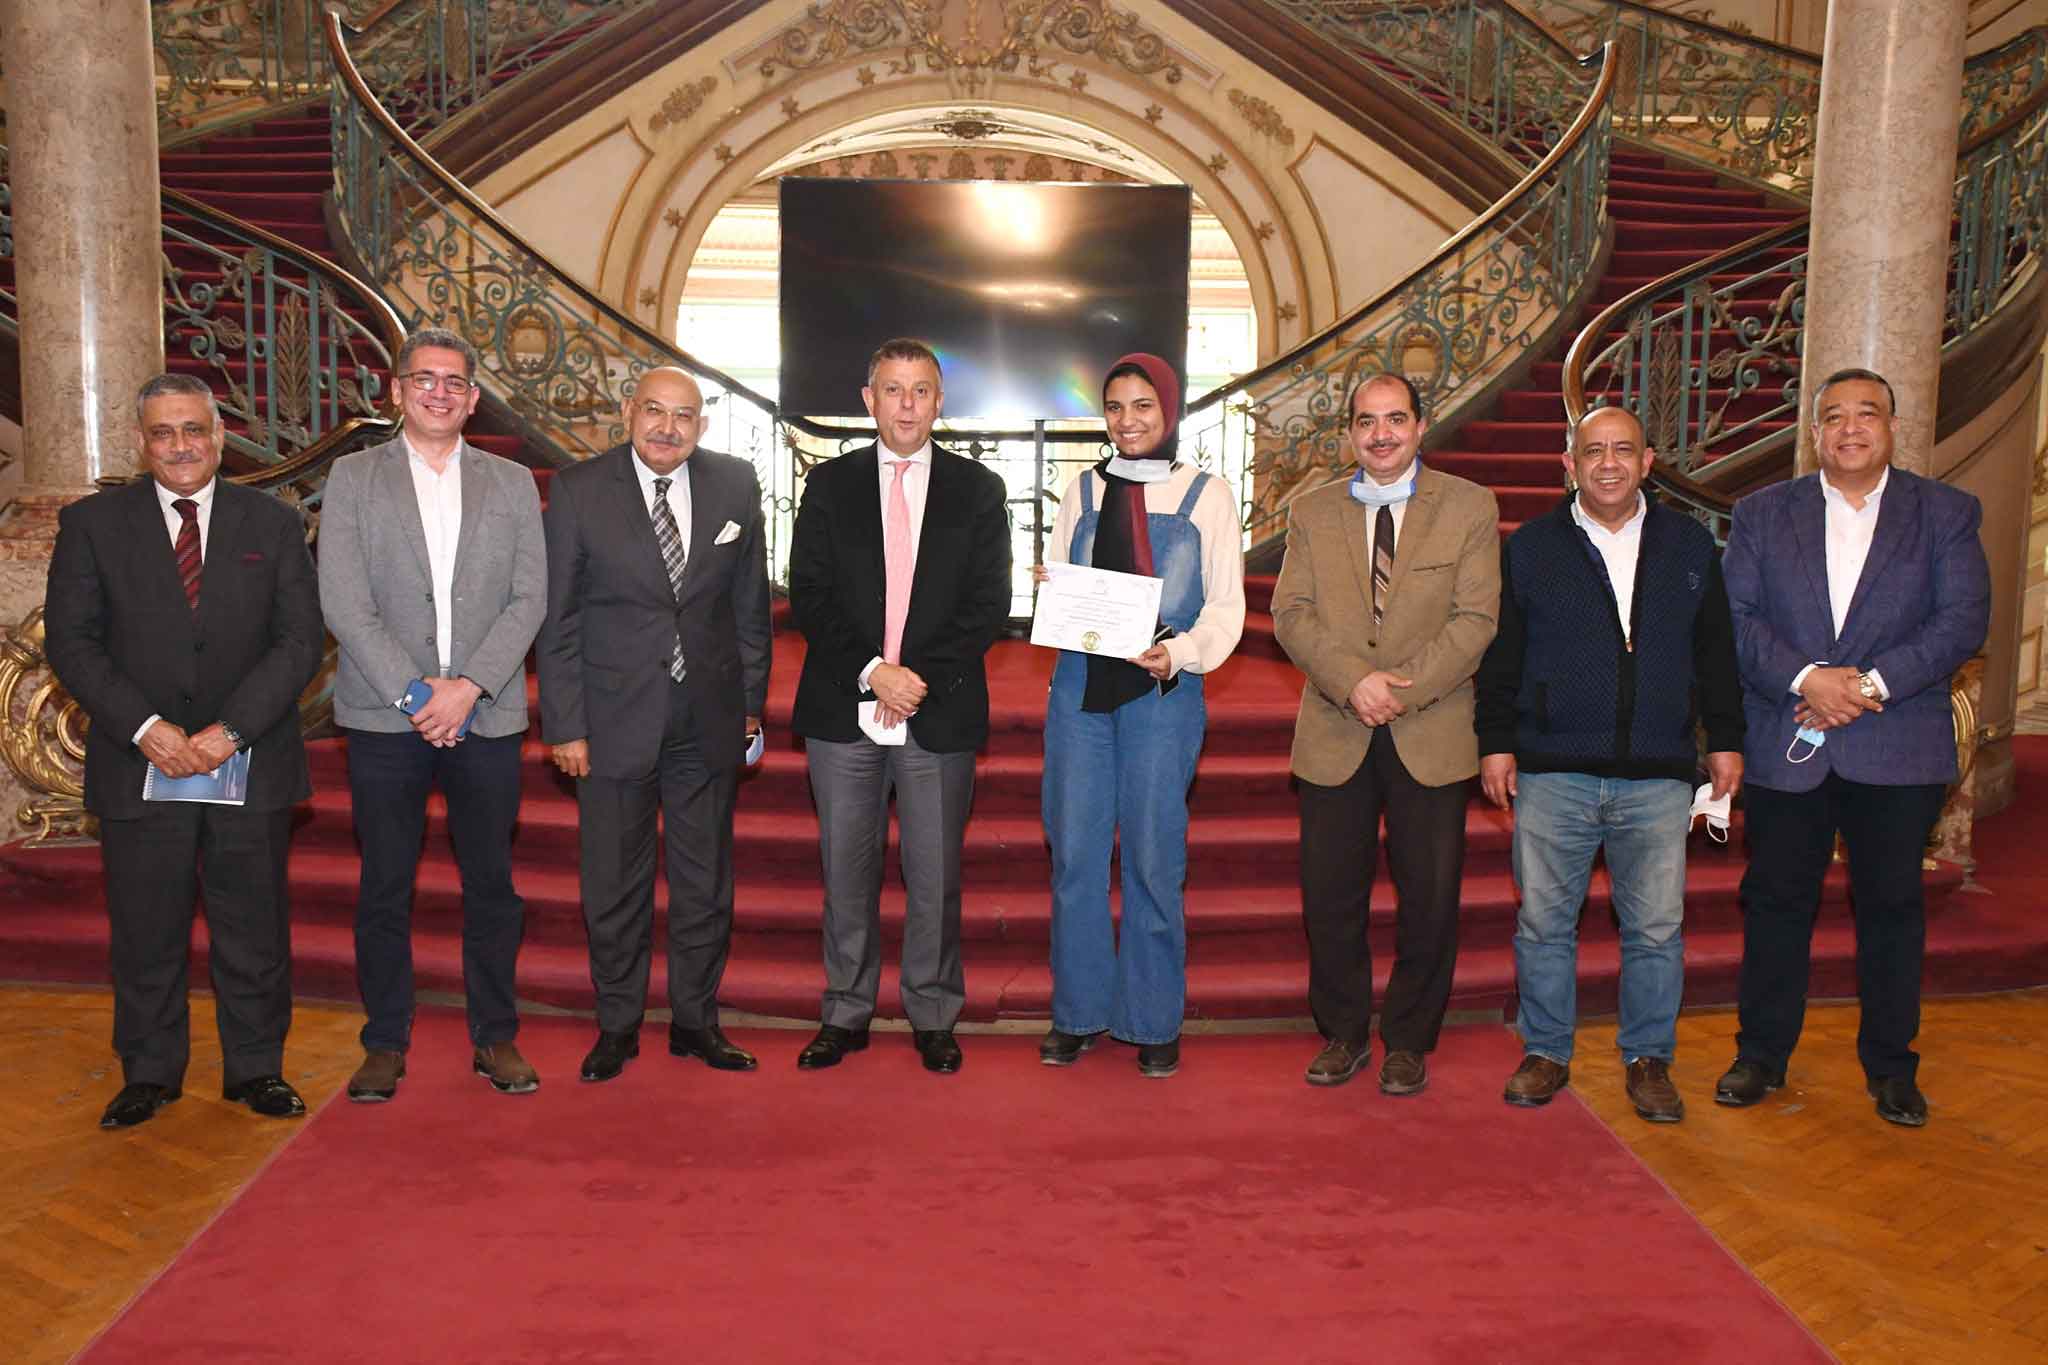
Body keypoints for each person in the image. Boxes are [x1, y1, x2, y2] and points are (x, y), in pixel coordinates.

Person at [44, 373, 324, 1128]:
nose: (180, 446)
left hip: (248, 758)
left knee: (253, 924)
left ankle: (257, 1066)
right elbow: (70, 641)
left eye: (193, 429)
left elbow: (300, 642)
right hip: (141, 762)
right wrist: (147, 728)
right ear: (142, 441)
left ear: (219, 436)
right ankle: (150, 1070)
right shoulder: (93, 524)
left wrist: (231, 729)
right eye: (163, 433)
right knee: (145, 926)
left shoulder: (274, 522)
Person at [1715, 368, 1990, 1128]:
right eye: (1832, 416)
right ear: (1815, 434)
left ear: (1893, 427)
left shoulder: (1946, 512)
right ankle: (1761, 1054)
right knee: (1775, 904)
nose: (1849, 428)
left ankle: (1893, 1068)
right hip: (1788, 740)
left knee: (1893, 908)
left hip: (1896, 744)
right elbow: (1734, 619)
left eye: (1866, 413)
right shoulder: (1764, 513)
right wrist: (1809, 677)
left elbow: (1962, 619)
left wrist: (1865, 686)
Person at [1476, 404, 1743, 1123]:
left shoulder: (1690, 545)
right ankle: (1547, 1051)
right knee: (1543, 924)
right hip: (1552, 769)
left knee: (1656, 928)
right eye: (1592, 450)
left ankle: (1649, 1058)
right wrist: (1494, 740)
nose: (1608, 463)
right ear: (1569, 463)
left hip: (1658, 773)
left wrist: (1726, 737)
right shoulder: (1530, 547)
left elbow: (1716, 652)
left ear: (1649, 461)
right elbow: (1502, 655)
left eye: (1623, 449)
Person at [318, 327, 548, 1101]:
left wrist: (469, 685)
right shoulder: (353, 478)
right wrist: (418, 695)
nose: (439, 392)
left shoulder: (512, 483)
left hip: (486, 715)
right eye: (425, 379)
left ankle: (496, 1036)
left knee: (492, 886)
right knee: (385, 884)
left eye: (454, 382)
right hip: (387, 719)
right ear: (396, 389)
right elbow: (343, 601)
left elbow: (530, 599)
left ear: (473, 397)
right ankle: (384, 1040)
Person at [538, 366, 772, 1082]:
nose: (668, 427)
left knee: (704, 883)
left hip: (707, 716)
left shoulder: (735, 484)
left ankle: (698, 1021)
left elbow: (750, 609)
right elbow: (559, 619)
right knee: (613, 881)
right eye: (654, 412)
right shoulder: (578, 490)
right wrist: (565, 724)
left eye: (684, 416)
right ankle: (618, 1024)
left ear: (701, 425)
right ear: (627, 412)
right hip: (609, 721)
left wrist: (750, 707)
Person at [785, 338, 1011, 1074]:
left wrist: (916, 678)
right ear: (867, 398)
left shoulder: (978, 490)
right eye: (893, 389)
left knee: (934, 875)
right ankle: (845, 1010)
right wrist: (875, 670)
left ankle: (933, 1011)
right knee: (844, 871)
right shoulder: (828, 483)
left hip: (937, 706)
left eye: (921, 391)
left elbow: (989, 605)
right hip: (842, 705)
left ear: (940, 402)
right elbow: (809, 593)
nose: (907, 404)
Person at [1270, 373, 1499, 1095]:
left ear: (1420, 425)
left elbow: (1476, 621)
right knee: (1329, 895)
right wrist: (1352, 682)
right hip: (1335, 728)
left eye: (1395, 419)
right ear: (1348, 434)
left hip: (1429, 731)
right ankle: (1342, 1032)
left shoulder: (1468, 506)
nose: (1381, 434)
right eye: (1366, 421)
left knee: (1430, 898)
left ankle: (1407, 1037)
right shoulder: (1310, 511)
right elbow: (1291, 613)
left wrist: (1396, 690)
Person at [1036, 353, 1244, 1078]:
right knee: (1076, 855)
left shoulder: (1207, 496)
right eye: (1116, 406)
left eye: (1143, 406)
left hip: (1162, 694)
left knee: (1156, 856)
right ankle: (1078, 1012)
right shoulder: (1082, 490)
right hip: (1080, 694)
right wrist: (1049, 589)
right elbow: (1059, 581)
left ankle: (1154, 1016)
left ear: (1170, 410)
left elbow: (1225, 607)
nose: (1128, 420)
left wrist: (1180, 653)